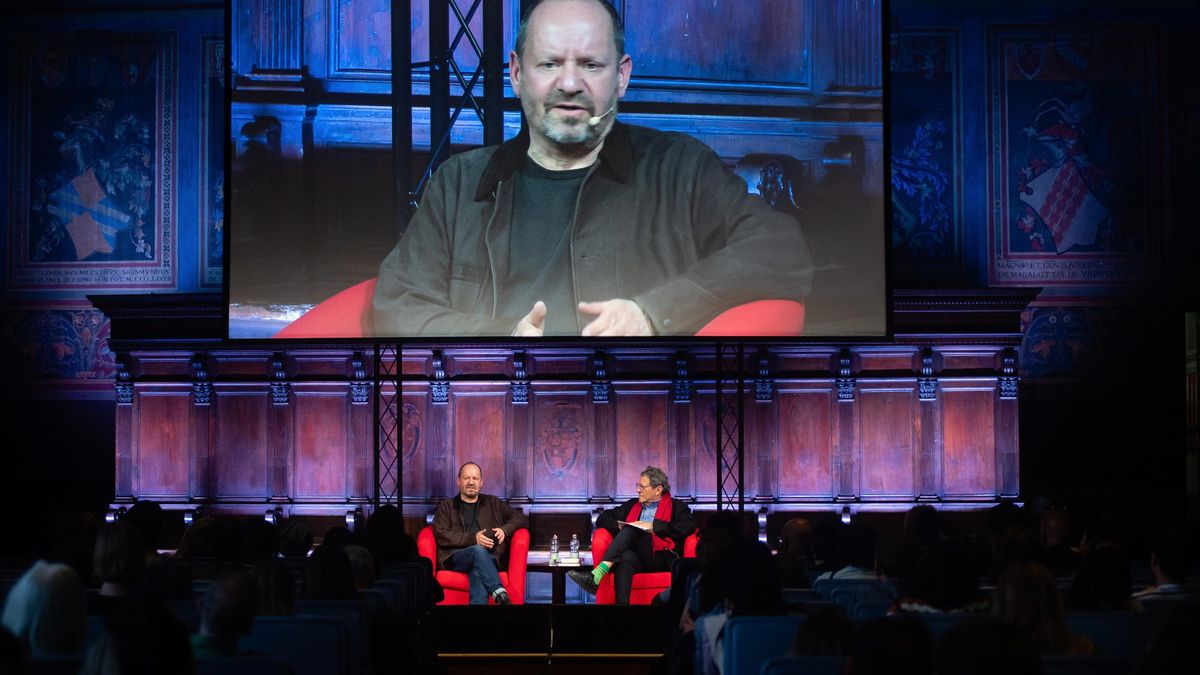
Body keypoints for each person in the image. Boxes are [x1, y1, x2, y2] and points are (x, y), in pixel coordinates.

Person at [373, 0, 813, 337]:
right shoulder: (458, 183)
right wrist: (502, 338)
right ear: (515, 72)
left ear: (621, 76)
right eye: (549, 63)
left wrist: (654, 313)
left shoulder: (682, 168)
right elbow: (396, 306)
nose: (569, 83)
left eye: (590, 65)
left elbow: (780, 251)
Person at [568, 466, 695, 604]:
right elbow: (603, 518)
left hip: (662, 557)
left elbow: (688, 527)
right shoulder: (632, 505)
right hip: (638, 558)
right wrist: (619, 526)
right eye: (638, 485)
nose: (638, 490)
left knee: (632, 529)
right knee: (625, 558)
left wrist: (654, 527)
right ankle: (623, 614)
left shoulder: (677, 507)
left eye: (642, 486)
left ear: (658, 490)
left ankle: (597, 575)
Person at [432, 461, 528, 605]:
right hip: (455, 558)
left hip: (488, 559)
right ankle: (499, 592)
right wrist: (473, 539)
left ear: (481, 482)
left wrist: (505, 530)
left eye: (475, 478)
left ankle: (478, 623)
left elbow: (520, 518)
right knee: (477, 551)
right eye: (466, 478)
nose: (471, 482)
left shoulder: (493, 503)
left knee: (477, 570)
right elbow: (442, 534)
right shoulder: (446, 507)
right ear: (458, 481)